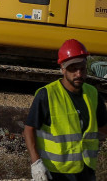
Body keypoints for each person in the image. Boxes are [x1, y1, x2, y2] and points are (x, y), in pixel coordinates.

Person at [24, 39, 107, 181]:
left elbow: (103, 128)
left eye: (82, 68)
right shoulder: (47, 94)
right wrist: (36, 163)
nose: (79, 74)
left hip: (85, 171)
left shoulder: (92, 93)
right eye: (73, 69)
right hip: (55, 172)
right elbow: (28, 129)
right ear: (62, 69)